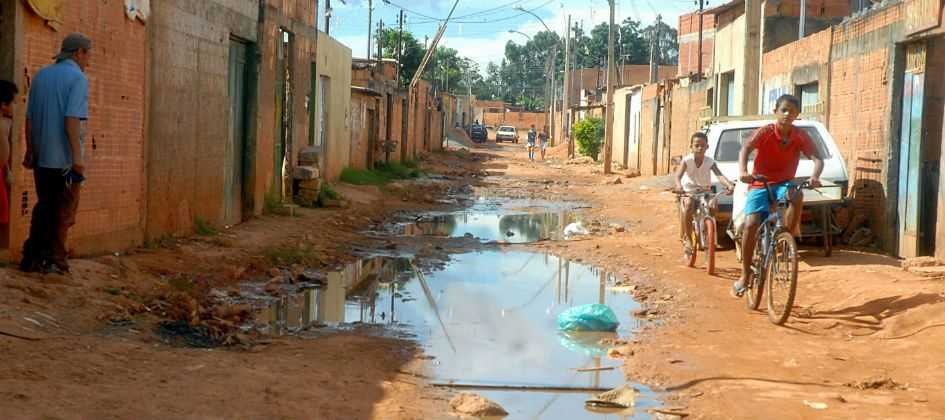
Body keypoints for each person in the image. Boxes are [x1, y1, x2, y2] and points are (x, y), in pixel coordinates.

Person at [732, 94, 823, 297]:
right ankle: (745, 274)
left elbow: (817, 158)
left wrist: (815, 176)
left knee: (797, 196)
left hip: (784, 183)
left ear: (797, 115)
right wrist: (743, 171)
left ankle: (786, 236)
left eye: (792, 111)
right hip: (760, 182)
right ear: (776, 111)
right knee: (751, 224)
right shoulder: (765, 132)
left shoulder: (799, 135)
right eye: (784, 110)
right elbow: (746, 148)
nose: (787, 114)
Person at [20, 33, 91, 274]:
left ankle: (33, 257)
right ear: (78, 52)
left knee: (45, 205)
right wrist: (77, 158)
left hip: (41, 155)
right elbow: (71, 118)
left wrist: (30, 149)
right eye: (87, 54)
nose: (88, 60)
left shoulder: (41, 76)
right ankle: (54, 259)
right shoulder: (78, 78)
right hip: (63, 158)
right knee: (61, 210)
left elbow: (28, 119)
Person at [673, 132, 734, 250]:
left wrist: (729, 185)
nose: (700, 148)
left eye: (703, 145)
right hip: (689, 191)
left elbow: (719, 175)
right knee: (688, 206)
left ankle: (709, 232)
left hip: (705, 191)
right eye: (696, 145)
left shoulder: (709, 161)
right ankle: (689, 240)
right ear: (691, 146)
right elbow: (677, 176)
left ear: (707, 147)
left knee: (713, 206)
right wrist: (678, 186)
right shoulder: (687, 160)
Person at [0, 80, 16, 243]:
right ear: (3, 104)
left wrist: (8, 170)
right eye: (13, 102)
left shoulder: (6, 122)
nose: (14, 106)